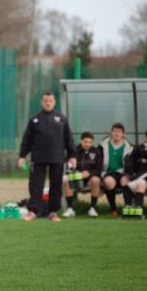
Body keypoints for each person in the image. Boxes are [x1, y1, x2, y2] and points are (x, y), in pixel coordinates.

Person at [18, 92, 76, 222]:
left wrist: (72, 155)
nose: (48, 103)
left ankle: (53, 212)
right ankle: (33, 211)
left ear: (54, 102)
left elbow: (69, 139)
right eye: (45, 101)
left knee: (56, 185)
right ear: (41, 102)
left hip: (57, 158)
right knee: (36, 185)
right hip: (38, 158)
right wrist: (22, 156)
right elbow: (27, 139)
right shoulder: (34, 120)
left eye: (50, 100)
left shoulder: (61, 119)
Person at [62, 132, 103, 218]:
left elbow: (99, 170)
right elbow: (68, 168)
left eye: (90, 142)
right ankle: (70, 209)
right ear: (81, 141)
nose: (88, 144)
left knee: (96, 180)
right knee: (66, 181)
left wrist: (89, 173)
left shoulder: (97, 152)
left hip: (89, 180)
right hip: (77, 179)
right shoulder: (73, 151)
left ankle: (92, 208)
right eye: (85, 141)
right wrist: (76, 173)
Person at [98, 123, 133, 216]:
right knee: (109, 182)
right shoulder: (102, 146)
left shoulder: (130, 147)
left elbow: (132, 163)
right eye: (114, 131)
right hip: (108, 172)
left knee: (125, 180)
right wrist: (100, 175)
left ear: (123, 134)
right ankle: (113, 208)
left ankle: (128, 207)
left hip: (123, 173)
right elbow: (98, 162)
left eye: (119, 131)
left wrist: (129, 173)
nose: (116, 133)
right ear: (111, 133)